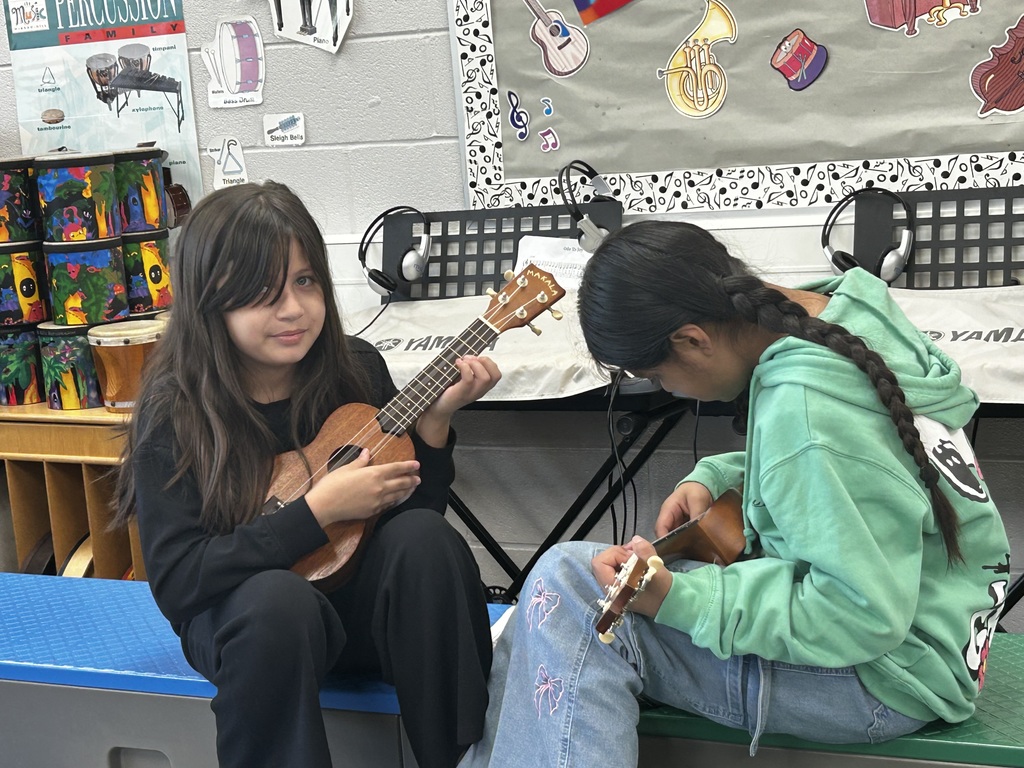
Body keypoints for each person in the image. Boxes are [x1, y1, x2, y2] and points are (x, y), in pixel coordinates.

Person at [461, 220, 1010, 767]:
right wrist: (717, 476)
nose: (665, 390)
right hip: (939, 637)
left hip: (884, 681)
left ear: (692, 340)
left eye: (654, 375)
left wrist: (679, 599)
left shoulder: (807, 411)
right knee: (557, 592)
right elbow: (866, 461)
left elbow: (858, 614)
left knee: (572, 589)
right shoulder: (845, 309)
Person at [113, 181, 500, 768]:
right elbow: (180, 582)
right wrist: (315, 515)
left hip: (354, 614)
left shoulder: (357, 371)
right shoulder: (176, 414)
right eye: (262, 292)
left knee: (427, 543)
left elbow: (414, 522)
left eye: (304, 281)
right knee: (276, 600)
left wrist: (435, 429)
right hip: (249, 629)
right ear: (209, 302)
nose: (292, 309)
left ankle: (466, 757)